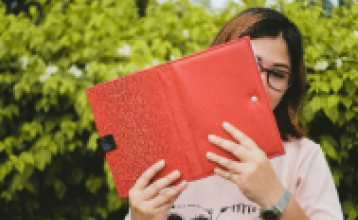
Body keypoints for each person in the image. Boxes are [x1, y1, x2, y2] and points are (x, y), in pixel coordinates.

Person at [125, 7, 343, 220]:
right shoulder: (164, 153)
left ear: (289, 87)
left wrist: (276, 197)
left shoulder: (304, 158)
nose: (259, 83)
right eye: (249, 63)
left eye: (277, 74)